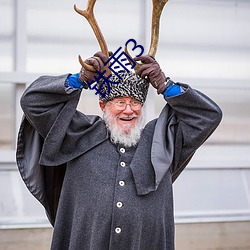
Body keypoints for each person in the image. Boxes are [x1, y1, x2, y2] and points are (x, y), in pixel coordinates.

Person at [16, 52, 222, 250]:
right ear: (103, 105)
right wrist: (79, 80)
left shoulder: (163, 140)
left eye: (135, 103)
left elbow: (208, 116)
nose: (128, 110)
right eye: (120, 102)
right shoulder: (79, 132)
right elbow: (32, 102)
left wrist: (164, 85)